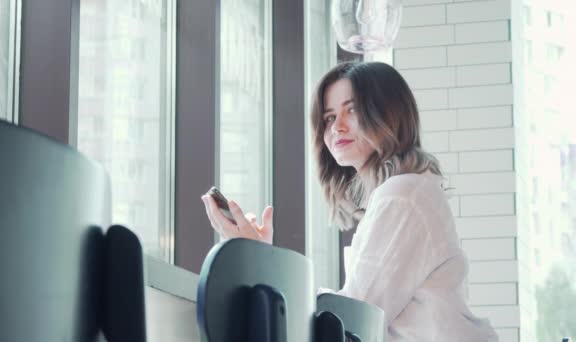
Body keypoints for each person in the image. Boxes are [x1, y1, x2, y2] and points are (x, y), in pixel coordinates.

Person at [201, 61, 499, 341]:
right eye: (329, 117)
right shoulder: (406, 192)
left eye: (352, 111)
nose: (336, 127)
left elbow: (353, 318)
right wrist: (264, 258)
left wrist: (262, 261)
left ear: (389, 113)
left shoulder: (402, 195)